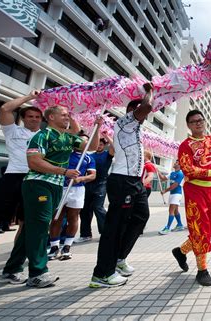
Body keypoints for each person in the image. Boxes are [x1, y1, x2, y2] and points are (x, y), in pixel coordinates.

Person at [0, 106, 100, 287]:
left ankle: (11, 269)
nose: (67, 117)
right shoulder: (42, 136)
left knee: (32, 227)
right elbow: (34, 161)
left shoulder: (68, 138)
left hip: (55, 185)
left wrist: (98, 127)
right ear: (51, 117)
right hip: (38, 184)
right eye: (63, 114)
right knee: (40, 227)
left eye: (68, 114)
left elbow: (92, 147)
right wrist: (64, 171)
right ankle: (38, 273)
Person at [89, 84, 154, 288]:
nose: (143, 116)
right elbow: (147, 107)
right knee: (114, 227)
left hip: (134, 181)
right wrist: (149, 92)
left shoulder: (137, 130)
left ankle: (118, 259)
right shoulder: (125, 122)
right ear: (132, 112)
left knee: (141, 217)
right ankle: (102, 274)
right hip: (122, 180)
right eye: (138, 111)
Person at [171, 105, 211, 287]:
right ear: (189, 125)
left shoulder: (210, 139)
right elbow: (188, 169)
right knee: (199, 229)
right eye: (194, 122)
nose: (198, 123)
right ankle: (202, 270)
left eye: (200, 120)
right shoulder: (185, 146)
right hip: (194, 190)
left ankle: (181, 251)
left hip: (210, 190)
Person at [0, 91, 43, 262]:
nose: (34, 119)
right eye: (30, 116)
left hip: (34, 179)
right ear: (23, 118)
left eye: (37, 117)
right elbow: (5, 108)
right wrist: (29, 97)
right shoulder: (13, 131)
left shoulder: (45, 137)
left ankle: (16, 257)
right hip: (12, 177)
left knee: (25, 222)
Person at [48, 134, 97, 260]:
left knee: (73, 218)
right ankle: (54, 247)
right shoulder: (65, 153)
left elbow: (92, 175)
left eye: (86, 141)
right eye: (80, 141)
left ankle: (67, 247)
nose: (83, 143)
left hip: (78, 190)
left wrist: (81, 178)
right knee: (56, 218)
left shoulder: (88, 158)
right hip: (60, 188)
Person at [76, 136, 114, 243]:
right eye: (97, 144)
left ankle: (106, 232)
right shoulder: (89, 155)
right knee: (85, 210)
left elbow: (114, 148)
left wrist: (107, 137)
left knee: (98, 207)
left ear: (104, 145)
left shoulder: (107, 155)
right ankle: (85, 234)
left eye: (101, 144)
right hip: (88, 184)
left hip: (101, 184)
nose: (99, 146)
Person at [158, 160, 185, 235]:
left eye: (176, 162)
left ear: (180, 165)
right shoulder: (172, 173)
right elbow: (163, 178)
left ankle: (167, 228)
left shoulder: (180, 174)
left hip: (177, 194)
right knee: (175, 211)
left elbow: (175, 185)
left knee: (171, 210)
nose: (174, 163)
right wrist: (157, 171)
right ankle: (180, 225)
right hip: (172, 194)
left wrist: (165, 191)